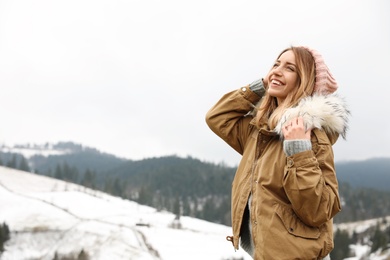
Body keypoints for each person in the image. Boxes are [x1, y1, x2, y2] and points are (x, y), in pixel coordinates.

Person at [205, 46, 350, 259]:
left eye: (289, 68)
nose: (277, 70)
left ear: (305, 81)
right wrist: (262, 85)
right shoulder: (259, 132)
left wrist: (299, 151)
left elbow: (320, 210)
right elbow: (217, 117)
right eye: (276, 64)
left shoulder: (312, 136)